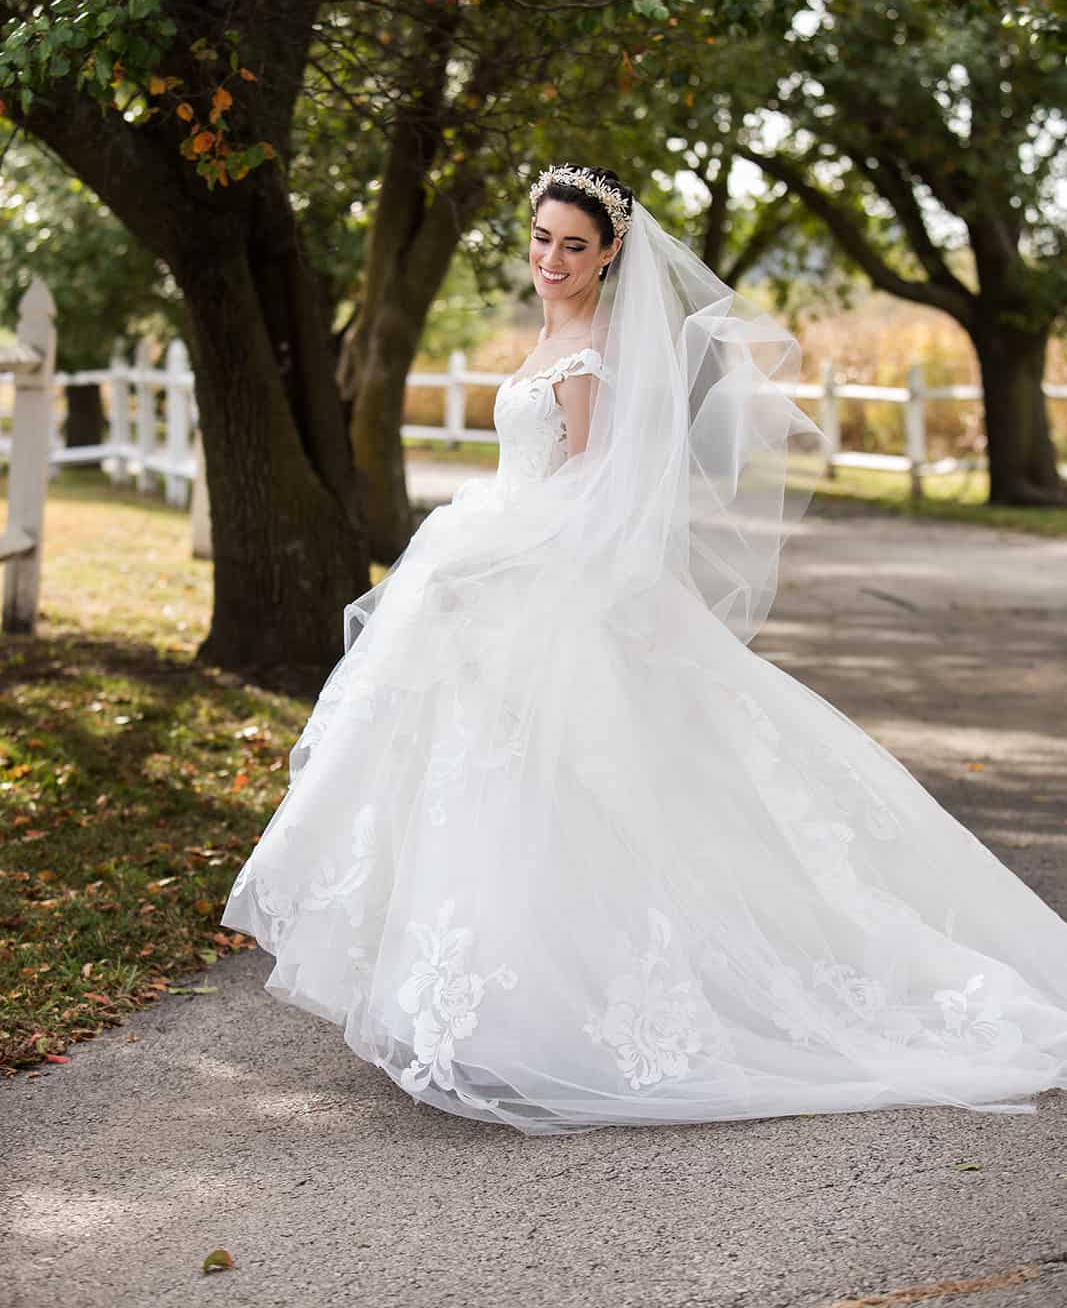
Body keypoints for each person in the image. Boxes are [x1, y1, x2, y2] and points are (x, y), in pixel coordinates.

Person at [221, 163, 1067, 1135]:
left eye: (573, 246)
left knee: (560, 793)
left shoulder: (592, 355)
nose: (551, 259)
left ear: (610, 251)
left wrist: (491, 568)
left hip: (543, 590)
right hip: (491, 575)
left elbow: (590, 493)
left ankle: (536, 1016)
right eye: (540, 239)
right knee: (479, 793)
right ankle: (474, 1005)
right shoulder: (550, 331)